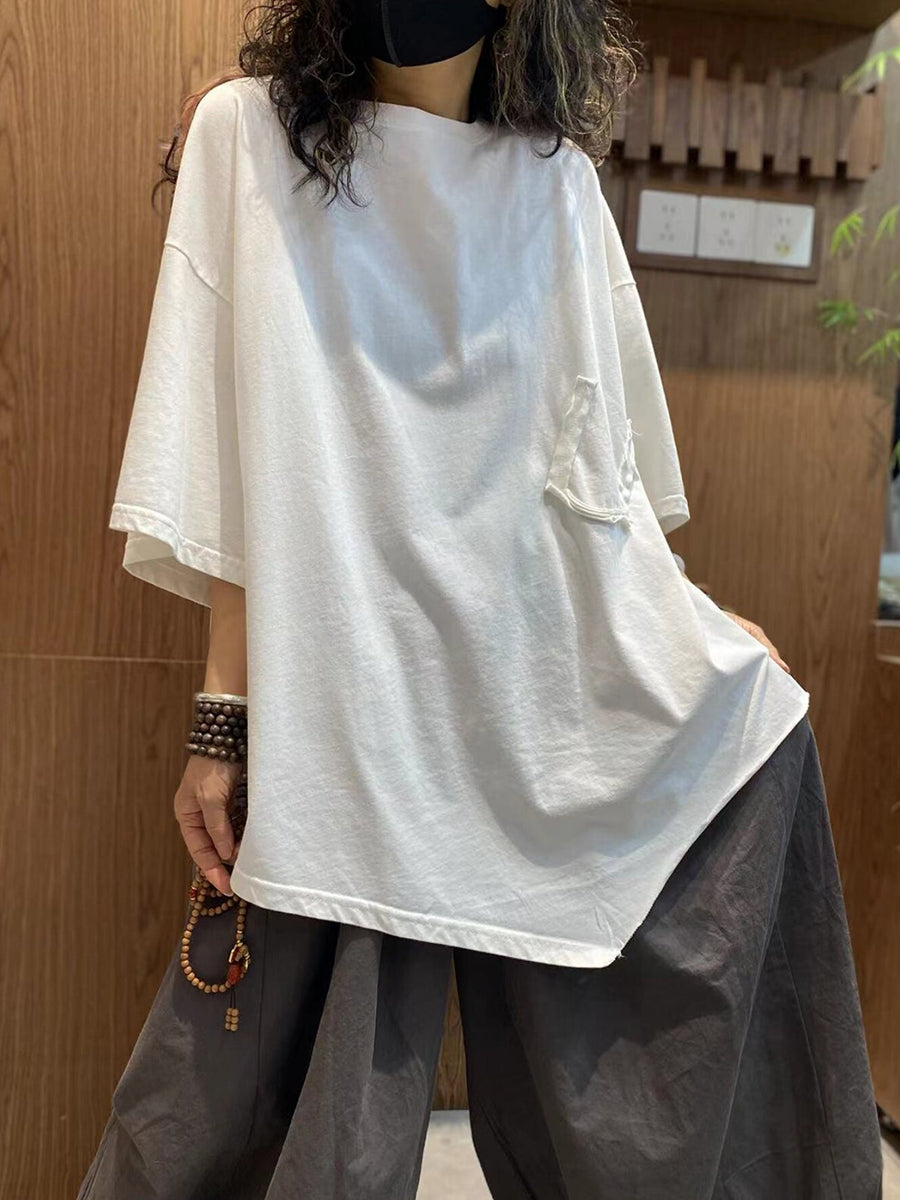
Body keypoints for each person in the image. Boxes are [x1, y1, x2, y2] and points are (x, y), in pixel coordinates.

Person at [78, 1, 884, 1196]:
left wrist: (688, 621)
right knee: (283, 1123)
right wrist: (223, 717)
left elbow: (597, 483)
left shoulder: (555, 186)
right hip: (346, 706)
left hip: (523, 693)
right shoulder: (243, 135)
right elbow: (228, 457)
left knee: (757, 751)